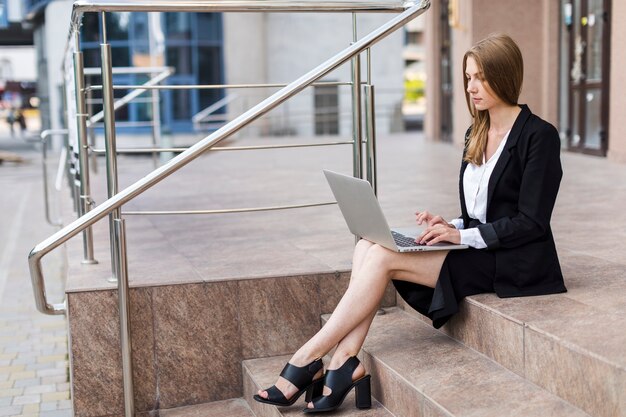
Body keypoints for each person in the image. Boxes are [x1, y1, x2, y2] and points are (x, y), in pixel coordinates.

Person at [253, 33, 566, 414]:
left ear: (505, 76)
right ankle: (343, 362)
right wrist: (447, 224)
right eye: (468, 77)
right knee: (368, 244)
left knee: (383, 258)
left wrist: (461, 234)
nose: (471, 87)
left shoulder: (539, 136)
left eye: (480, 77)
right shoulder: (476, 131)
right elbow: (482, 209)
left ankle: (308, 356)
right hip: (479, 243)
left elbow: (530, 222)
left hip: (517, 259)